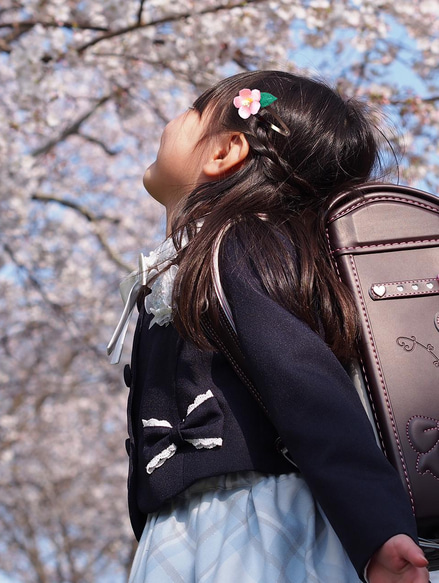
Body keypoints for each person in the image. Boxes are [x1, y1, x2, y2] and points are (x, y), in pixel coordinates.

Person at [108, 70, 431, 582]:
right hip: (198, 521)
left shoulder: (232, 246)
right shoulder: (205, 253)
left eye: (194, 110)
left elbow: (306, 382)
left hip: (251, 524)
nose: (174, 118)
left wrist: (377, 527)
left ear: (224, 152)